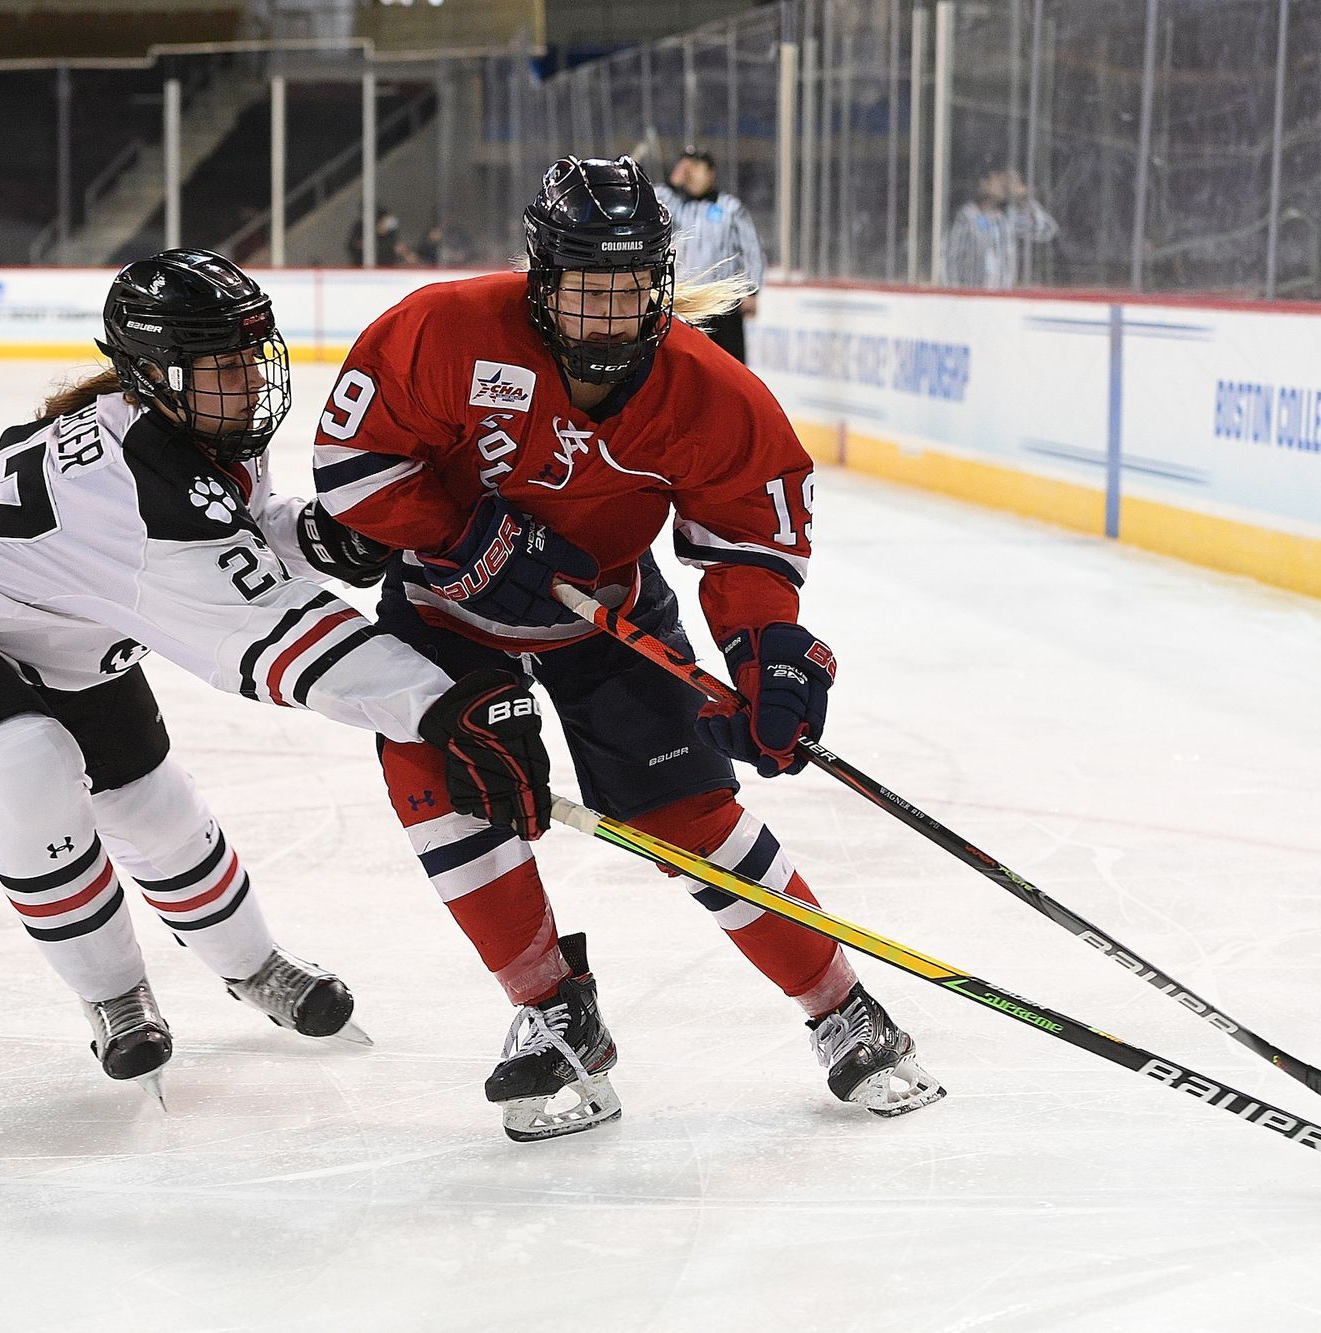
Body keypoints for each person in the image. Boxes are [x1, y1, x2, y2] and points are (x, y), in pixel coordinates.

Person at [0, 248, 550, 1104]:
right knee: (25, 764)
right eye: (223, 364)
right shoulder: (130, 490)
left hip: (51, 625)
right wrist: (444, 705)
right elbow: (275, 634)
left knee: (150, 805)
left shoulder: (183, 430)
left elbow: (234, 528)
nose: (251, 380)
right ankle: (114, 994)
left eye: (251, 356)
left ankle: (254, 965)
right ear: (155, 374)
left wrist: (314, 536)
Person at [310, 156, 945, 1143]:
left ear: (659, 283)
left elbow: (751, 541)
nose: (608, 314)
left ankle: (843, 1008)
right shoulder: (444, 330)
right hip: (443, 611)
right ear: (540, 279)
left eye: (629, 288)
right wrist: (465, 538)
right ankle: (552, 1010)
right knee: (447, 789)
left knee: (688, 813)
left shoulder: (707, 390)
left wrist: (765, 653)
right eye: (585, 288)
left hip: (604, 610)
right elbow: (352, 463)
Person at [652, 146, 764, 365]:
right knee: (686, 364)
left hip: (723, 302)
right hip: (686, 303)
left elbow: (752, 249)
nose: (692, 174)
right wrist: (673, 181)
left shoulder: (730, 207)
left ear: (711, 173)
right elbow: (650, 203)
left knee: (729, 365)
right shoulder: (676, 206)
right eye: (688, 169)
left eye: (697, 168)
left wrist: (752, 290)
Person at [944, 167, 1058, 290]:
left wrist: (1022, 200)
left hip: (1002, 297)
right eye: (998, 178)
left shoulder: (1005, 220)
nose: (1004, 184)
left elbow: (1046, 229)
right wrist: (956, 294)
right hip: (975, 296)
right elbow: (950, 260)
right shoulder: (967, 217)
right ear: (983, 183)